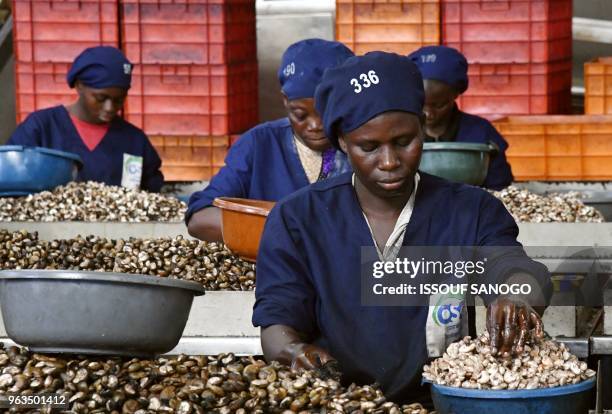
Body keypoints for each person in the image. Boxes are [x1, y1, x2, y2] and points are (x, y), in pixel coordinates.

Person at [252, 52, 552, 405]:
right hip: (341, 403)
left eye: (404, 141)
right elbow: (277, 320)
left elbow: (514, 268)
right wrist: (293, 350)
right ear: (342, 142)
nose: (390, 161)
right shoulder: (298, 219)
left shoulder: (471, 210)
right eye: (369, 147)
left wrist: (516, 296)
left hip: (440, 404)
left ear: (423, 128)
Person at [186, 39, 354, 241]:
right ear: (285, 101)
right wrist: (281, 233)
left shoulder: (365, 143)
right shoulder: (260, 144)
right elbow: (199, 218)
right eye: (300, 114)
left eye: (326, 112)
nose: (315, 125)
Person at [7, 46, 163, 192]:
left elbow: (152, 191)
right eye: (101, 98)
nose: (110, 107)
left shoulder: (134, 141)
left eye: (119, 99)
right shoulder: (41, 128)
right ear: (79, 85)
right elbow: (11, 176)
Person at [408, 46, 513, 190]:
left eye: (439, 105)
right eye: (421, 105)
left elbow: (500, 186)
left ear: (456, 94)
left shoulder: (480, 133)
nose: (429, 113)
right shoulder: (401, 132)